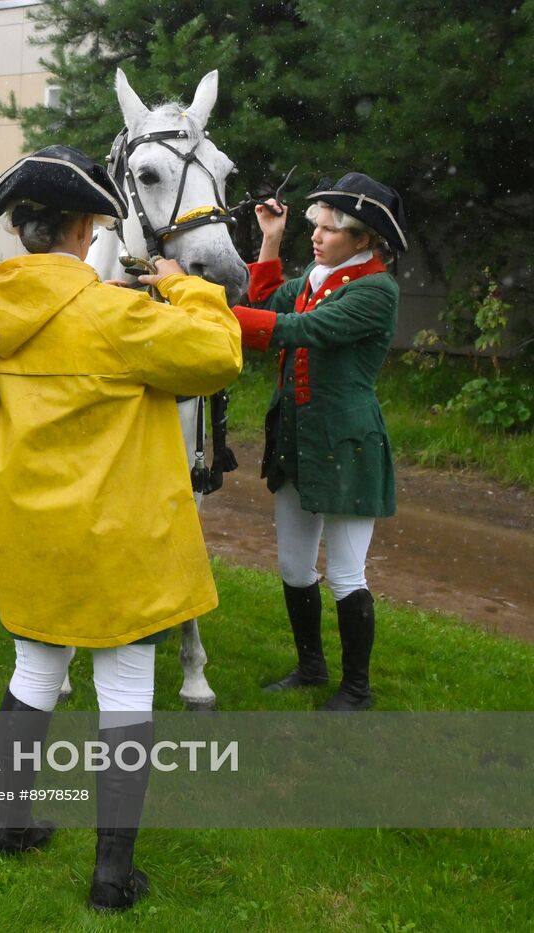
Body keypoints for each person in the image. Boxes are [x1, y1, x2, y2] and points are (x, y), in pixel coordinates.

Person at [0, 145, 242, 912]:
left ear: (23, 229)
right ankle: (112, 874)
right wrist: (189, 289)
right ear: (86, 228)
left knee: (34, 673)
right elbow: (220, 356)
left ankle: (9, 824)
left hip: (32, 536)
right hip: (121, 540)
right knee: (123, 685)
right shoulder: (117, 313)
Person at [230, 173, 408, 712]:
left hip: (347, 443)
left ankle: (357, 688)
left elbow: (298, 330)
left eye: (329, 230)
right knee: (292, 565)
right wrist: (269, 237)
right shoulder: (318, 274)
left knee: (347, 575)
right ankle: (310, 667)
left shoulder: (377, 289)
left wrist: (200, 312)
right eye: (317, 227)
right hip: (295, 438)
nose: (318, 237)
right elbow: (262, 295)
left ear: (364, 240)